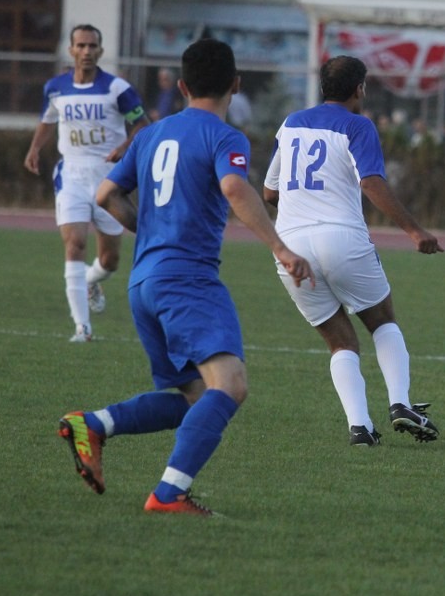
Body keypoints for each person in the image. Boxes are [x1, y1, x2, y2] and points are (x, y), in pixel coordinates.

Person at [57, 38, 313, 516]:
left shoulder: (151, 135)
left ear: (181, 86)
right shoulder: (225, 136)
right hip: (187, 280)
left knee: (197, 396)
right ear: (236, 84)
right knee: (230, 385)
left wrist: (148, 230)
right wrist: (281, 247)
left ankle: (94, 425)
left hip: (143, 283)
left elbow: (106, 194)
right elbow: (234, 187)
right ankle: (169, 493)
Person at [262, 55, 444, 447]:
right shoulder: (357, 125)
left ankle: (360, 427)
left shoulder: (291, 123)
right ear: (360, 88)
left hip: (290, 245)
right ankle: (400, 403)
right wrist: (414, 230)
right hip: (341, 238)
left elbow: (270, 192)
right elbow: (371, 182)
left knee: (340, 342)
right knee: (382, 320)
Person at [23, 24, 149, 343]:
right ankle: (82, 327)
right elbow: (47, 120)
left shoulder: (117, 88)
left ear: (101, 51)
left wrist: (125, 148)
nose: (86, 51)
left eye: (92, 46)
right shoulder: (56, 88)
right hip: (72, 176)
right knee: (75, 244)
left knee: (110, 260)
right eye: (80, 45)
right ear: (71, 50)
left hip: (110, 180)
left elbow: (143, 124)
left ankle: (92, 281)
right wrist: (35, 148)